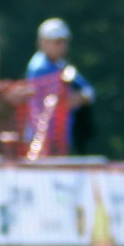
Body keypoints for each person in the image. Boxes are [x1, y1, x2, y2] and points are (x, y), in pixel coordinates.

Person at [19, 19, 95, 156]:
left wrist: (77, 98)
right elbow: (60, 102)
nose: (61, 46)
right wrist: (76, 98)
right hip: (41, 138)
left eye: (63, 42)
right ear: (43, 42)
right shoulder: (39, 67)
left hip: (59, 138)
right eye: (56, 42)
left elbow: (89, 92)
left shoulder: (62, 65)